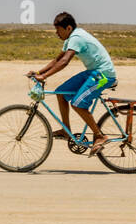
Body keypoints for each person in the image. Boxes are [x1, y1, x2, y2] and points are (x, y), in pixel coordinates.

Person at [27, 11, 117, 155]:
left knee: (77, 103)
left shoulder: (77, 37)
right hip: (93, 72)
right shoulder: (70, 39)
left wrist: (44, 77)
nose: (56, 33)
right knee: (60, 93)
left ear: (68, 28)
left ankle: (100, 136)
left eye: (58, 30)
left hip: (104, 75)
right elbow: (57, 60)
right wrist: (39, 73)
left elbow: (64, 62)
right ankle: (66, 130)